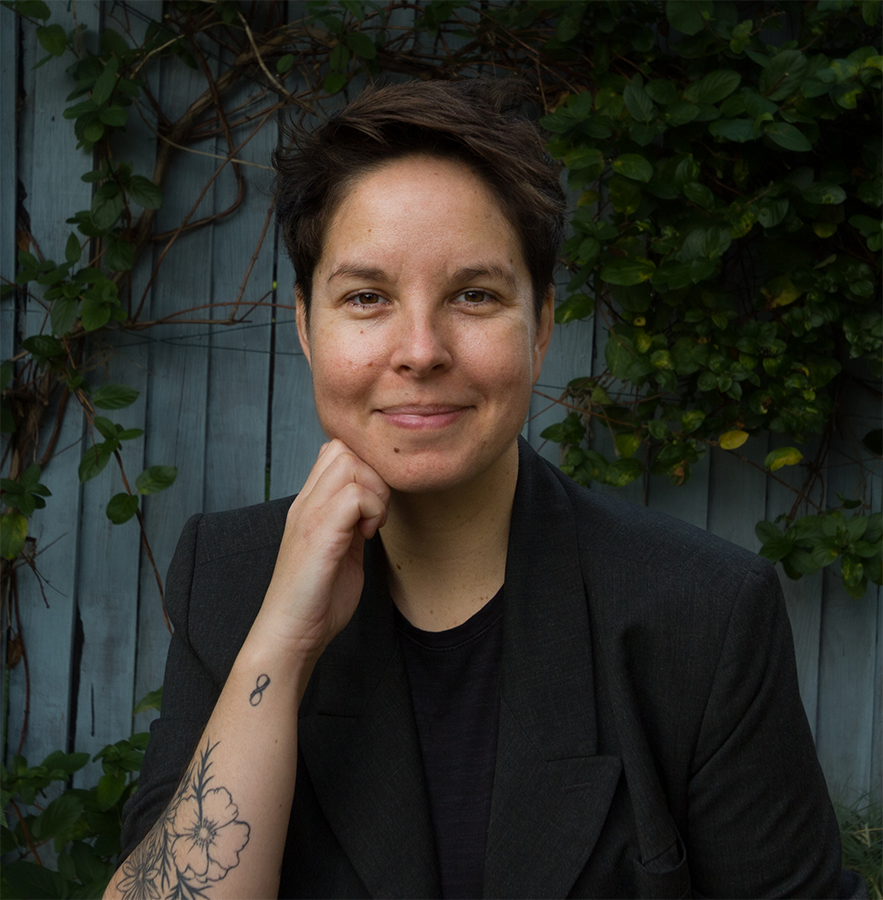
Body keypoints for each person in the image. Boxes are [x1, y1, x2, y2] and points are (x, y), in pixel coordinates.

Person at [106, 79, 866, 900]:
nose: (420, 350)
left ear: (540, 327)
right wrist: (281, 647)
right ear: (305, 326)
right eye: (367, 298)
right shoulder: (229, 576)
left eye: (474, 295)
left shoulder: (700, 615)